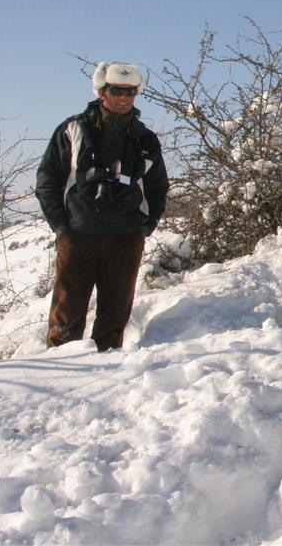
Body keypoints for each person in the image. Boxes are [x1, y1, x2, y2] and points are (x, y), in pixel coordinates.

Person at [35, 61, 169, 351]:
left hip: (126, 237)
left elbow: (158, 187)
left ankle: (107, 369)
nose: (124, 98)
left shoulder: (145, 139)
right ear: (101, 91)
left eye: (130, 92)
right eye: (117, 90)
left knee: (114, 315)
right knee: (66, 316)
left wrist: (145, 227)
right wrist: (61, 228)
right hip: (78, 234)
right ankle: (58, 366)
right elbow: (48, 181)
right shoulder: (73, 130)